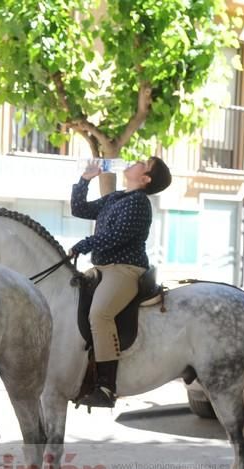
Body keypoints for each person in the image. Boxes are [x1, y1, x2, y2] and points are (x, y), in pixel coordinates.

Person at [68, 157, 172, 408]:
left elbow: (116, 236)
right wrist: (85, 179)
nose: (136, 160)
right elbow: (79, 209)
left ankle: (106, 387)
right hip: (102, 267)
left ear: (145, 178)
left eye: (143, 164)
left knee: (100, 315)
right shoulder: (116, 197)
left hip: (124, 270)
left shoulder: (140, 203)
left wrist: (83, 245)